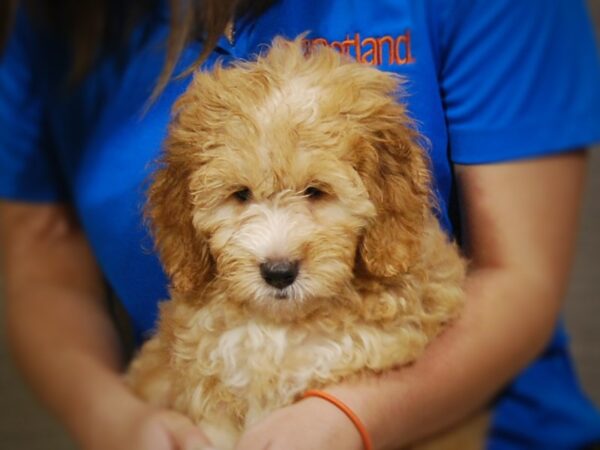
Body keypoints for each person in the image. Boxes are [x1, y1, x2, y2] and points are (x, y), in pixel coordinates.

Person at [1, 1, 599, 449]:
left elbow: (522, 276)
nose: (276, 247)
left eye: (315, 192)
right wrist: (114, 416)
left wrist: (355, 416)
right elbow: (41, 264)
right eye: (239, 197)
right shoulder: (61, 22)